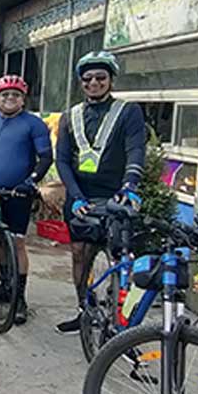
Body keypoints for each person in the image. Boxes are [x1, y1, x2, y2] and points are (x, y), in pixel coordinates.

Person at [55, 51, 146, 334]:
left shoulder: (128, 112)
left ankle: (119, 322)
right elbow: (62, 159)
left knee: (119, 259)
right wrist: (75, 196)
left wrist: (130, 184)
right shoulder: (71, 115)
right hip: (80, 195)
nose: (94, 83)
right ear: (81, 83)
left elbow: (135, 149)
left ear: (111, 80)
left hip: (115, 195)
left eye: (100, 78)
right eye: (88, 79)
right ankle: (84, 309)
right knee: (80, 255)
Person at [0, 74, 53, 325]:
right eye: (5, 95)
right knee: (0, 241)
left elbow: (45, 157)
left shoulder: (33, 124)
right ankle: (4, 287)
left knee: (16, 243)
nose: (10, 98)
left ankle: (19, 298)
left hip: (18, 192)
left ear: (23, 99)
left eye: (15, 95)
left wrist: (31, 181)